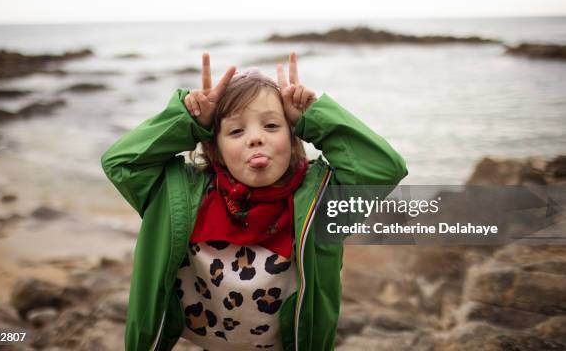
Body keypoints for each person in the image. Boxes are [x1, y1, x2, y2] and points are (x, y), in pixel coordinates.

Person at [101, 52, 408, 351]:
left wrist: (313, 118)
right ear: (215, 149)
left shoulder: (322, 202)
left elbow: (383, 169)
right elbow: (121, 162)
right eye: (236, 130)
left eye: (272, 126)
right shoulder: (179, 194)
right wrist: (187, 122)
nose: (255, 138)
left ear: (292, 137)